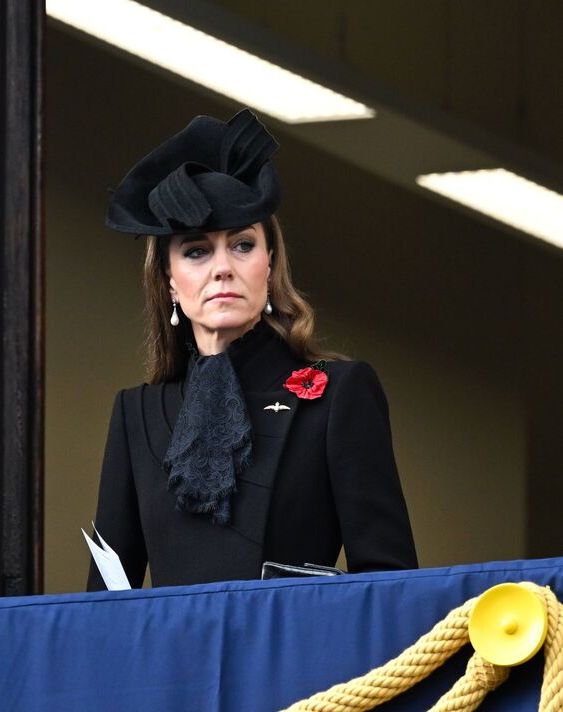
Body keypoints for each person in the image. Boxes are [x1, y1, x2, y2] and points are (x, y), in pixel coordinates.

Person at [87, 109, 417, 591]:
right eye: (197, 251)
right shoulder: (134, 413)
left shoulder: (339, 394)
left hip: (302, 665)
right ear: (169, 282)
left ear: (270, 264)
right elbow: (105, 605)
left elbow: (391, 587)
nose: (222, 268)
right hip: (175, 666)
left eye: (242, 245)